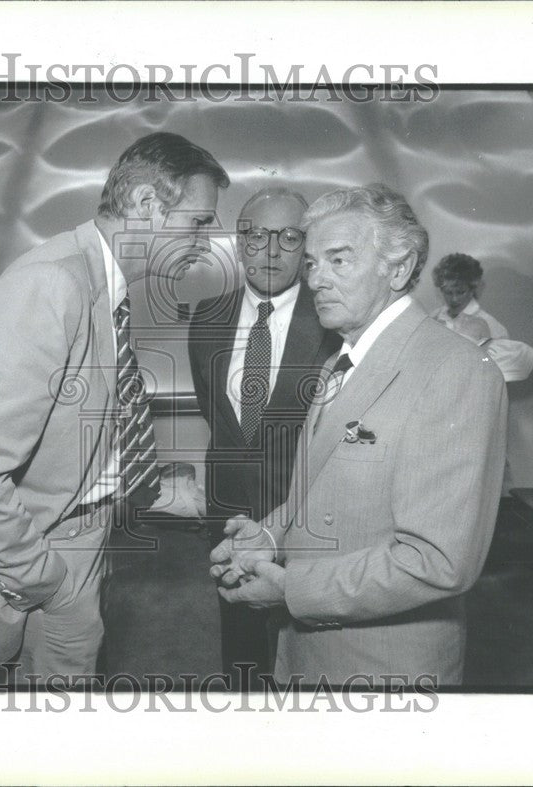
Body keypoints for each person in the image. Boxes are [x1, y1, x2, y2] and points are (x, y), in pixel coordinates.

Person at [0, 132, 229, 687]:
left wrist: (163, 490)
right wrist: (44, 580)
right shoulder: (51, 286)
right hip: (42, 561)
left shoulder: (100, 283)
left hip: (79, 541)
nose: (206, 239)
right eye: (199, 221)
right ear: (147, 205)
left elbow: (78, 438)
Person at [210, 185, 508, 687]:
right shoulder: (339, 361)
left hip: (383, 672)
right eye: (311, 263)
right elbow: (321, 491)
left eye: (338, 261)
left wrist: (291, 590)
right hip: (311, 655)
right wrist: (268, 535)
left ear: (397, 268)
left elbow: (436, 562)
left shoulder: (456, 370)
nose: (316, 279)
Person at [188, 187, 340, 686]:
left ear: (307, 245)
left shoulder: (335, 325)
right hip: (227, 511)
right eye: (256, 236)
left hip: (308, 513)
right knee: (240, 647)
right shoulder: (207, 318)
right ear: (238, 242)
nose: (271, 252)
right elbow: (217, 415)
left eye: (290, 237)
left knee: (307, 648)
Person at [431, 252, 509, 339]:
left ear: (472, 290)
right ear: (441, 290)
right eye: (448, 293)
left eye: (461, 292)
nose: (454, 299)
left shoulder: (492, 327)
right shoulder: (433, 318)